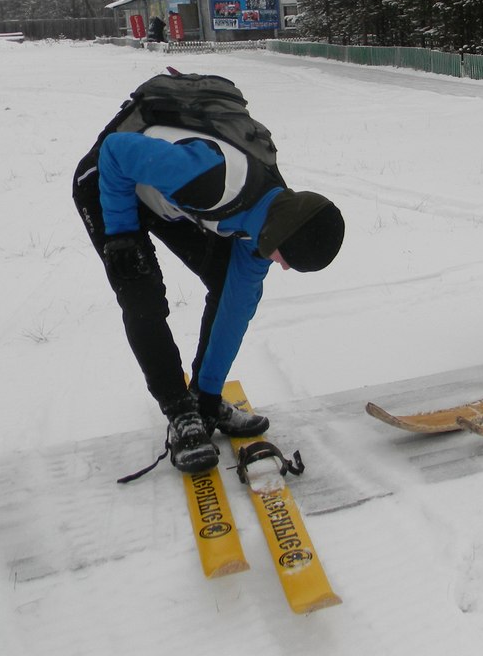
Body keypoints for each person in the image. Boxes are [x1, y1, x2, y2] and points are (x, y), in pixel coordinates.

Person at [72, 88, 345, 473]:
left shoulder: (263, 232)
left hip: (167, 199)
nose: (283, 267)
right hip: (108, 181)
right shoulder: (211, 178)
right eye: (289, 260)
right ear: (280, 237)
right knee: (142, 293)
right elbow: (116, 150)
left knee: (224, 279)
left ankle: (201, 400)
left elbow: (235, 309)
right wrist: (119, 234)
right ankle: (180, 411)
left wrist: (210, 392)